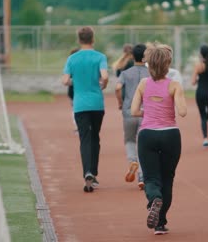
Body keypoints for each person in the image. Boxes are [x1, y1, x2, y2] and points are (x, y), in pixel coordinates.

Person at [131, 42, 187, 235]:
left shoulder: (143, 84)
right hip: (170, 134)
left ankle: (154, 198)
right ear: (168, 64)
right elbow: (183, 111)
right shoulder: (175, 85)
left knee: (151, 178)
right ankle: (160, 222)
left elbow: (133, 111)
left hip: (147, 134)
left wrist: (149, 111)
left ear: (149, 64)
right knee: (167, 178)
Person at [62, 26, 109, 193]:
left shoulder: (72, 59)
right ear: (93, 39)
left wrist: (77, 82)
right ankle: (94, 173)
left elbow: (65, 80)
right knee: (95, 137)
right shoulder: (100, 57)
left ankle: (87, 172)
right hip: (97, 103)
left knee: (85, 139)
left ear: (79, 39)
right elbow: (104, 76)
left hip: (80, 104)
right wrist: (102, 84)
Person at [115, 43, 150, 190]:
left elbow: (117, 87)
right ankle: (142, 176)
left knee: (129, 140)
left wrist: (120, 102)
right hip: (145, 112)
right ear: (145, 56)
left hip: (128, 111)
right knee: (143, 144)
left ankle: (132, 161)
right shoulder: (151, 73)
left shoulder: (126, 73)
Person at [67, 48, 80, 132]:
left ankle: (78, 126)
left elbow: (67, 80)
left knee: (75, 109)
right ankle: (79, 126)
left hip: (74, 91)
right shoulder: (72, 65)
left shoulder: (70, 65)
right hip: (75, 90)